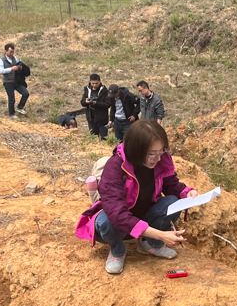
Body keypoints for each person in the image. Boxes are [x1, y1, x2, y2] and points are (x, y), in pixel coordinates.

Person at [75, 120, 199, 274]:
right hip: (118, 223)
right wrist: (161, 235)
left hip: (144, 216)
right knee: (106, 221)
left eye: (161, 152)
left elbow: (171, 184)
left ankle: (148, 243)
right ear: (136, 150)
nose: (158, 158)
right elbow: (117, 214)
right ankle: (117, 249)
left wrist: (186, 193)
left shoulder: (160, 161)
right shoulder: (115, 167)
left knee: (173, 203)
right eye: (152, 154)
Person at [0, 43, 29, 119]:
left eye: (13, 52)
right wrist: (11, 69)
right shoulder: (1, 60)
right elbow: (0, 71)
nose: (12, 54)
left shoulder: (15, 59)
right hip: (8, 82)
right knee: (12, 99)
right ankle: (11, 114)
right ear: (6, 51)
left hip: (16, 81)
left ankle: (20, 107)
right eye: (10, 52)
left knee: (26, 93)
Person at [82, 73, 111, 139]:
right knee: (93, 139)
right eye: (93, 83)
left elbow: (108, 104)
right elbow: (82, 102)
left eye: (96, 83)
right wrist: (86, 102)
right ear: (90, 82)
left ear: (100, 81)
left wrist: (97, 103)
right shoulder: (87, 90)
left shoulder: (104, 91)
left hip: (102, 119)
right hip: (91, 119)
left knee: (104, 138)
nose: (94, 85)